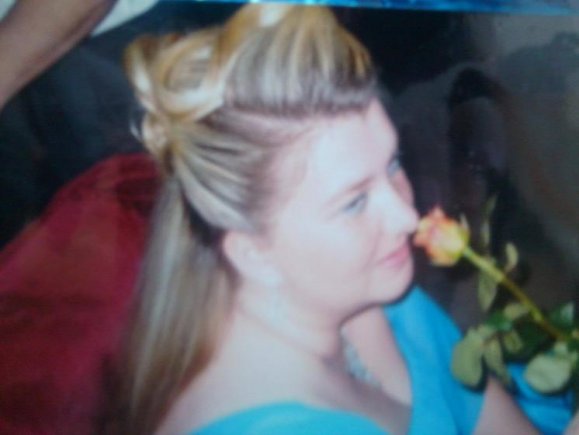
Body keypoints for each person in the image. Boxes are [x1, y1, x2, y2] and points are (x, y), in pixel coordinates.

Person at [118, 4, 573, 434]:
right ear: (254, 252)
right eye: (354, 203)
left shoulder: (377, 295)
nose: (406, 216)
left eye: (393, 164)